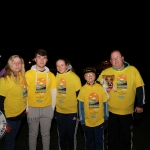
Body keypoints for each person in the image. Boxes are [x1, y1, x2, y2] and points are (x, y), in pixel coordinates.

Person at [97, 50, 145, 150]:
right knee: (111, 138)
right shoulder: (106, 72)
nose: (116, 60)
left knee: (126, 138)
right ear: (110, 61)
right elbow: (96, 88)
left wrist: (140, 104)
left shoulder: (132, 70)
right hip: (110, 112)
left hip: (127, 112)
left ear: (122, 58)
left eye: (118, 57)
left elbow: (140, 87)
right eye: (113, 59)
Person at [25, 49, 56, 150]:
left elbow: (54, 93)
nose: (41, 60)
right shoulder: (28, 74)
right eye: (39, 57)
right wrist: (26, 107)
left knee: (46, 135)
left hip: (47, 108)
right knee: (33, 135)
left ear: (47, 60)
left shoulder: (51, 75)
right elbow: (24, 92)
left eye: (44, 58)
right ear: (35, 59)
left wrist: (52, 109)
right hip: (32, 108)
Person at [0, 55, 27, 150]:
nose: (17, 65)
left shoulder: (22, 77)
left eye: (19, 62)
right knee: (10, 143)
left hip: (20, 116)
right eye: (14, 62)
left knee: (12, 140)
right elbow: (0, 103)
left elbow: (24, 95)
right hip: (9, 118)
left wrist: (26, 107)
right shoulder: (4, 80)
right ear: (10, 64)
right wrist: (3, 123)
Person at [77, 67, 108, 150]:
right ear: (84, 77)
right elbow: (80, 107)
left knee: (99, 142)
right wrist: (82, 122)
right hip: (88, 123)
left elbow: (105, 104)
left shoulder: (101, 88)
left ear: (95, 76)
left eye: (92, 75)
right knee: (89, 142)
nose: (90, 76)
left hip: (99, 122)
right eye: (87, 75)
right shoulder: (82, 90)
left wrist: (106, 119)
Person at [55, 57, 82, 150]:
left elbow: (80, 97)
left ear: (67, 65)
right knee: (61, 137)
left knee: (71, 137)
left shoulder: (74, 77)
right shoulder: (56, 77)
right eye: (57, 66)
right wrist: (54, 111)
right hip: (59, 112)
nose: (60, 67)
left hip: (72, 113)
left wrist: (80, 113)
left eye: (62, 65)